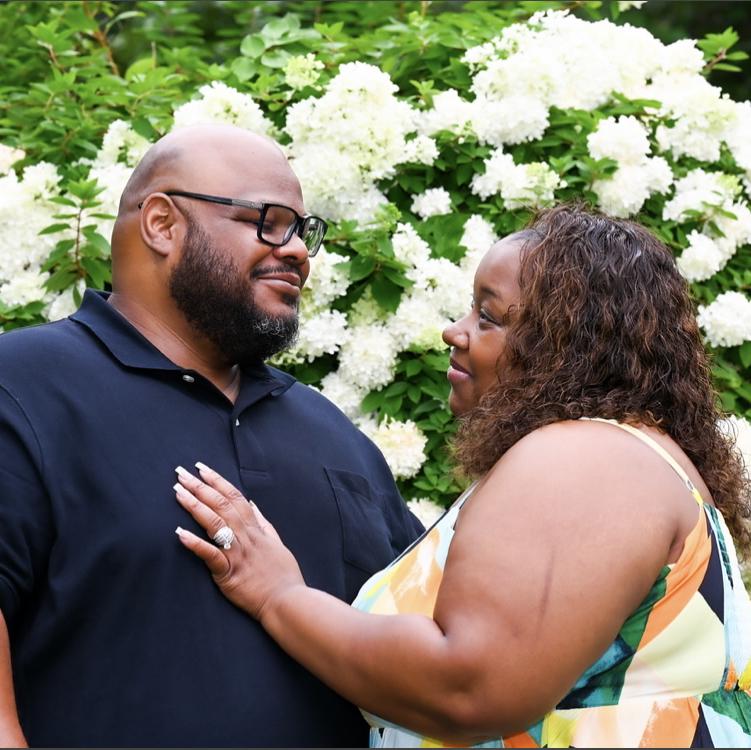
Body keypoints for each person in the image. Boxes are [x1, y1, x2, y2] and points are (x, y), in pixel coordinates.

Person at [174, 204, 751, 748]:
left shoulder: (586, 458)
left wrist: (279, 596)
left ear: (570, 345)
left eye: (488, 317)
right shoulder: (627, 456)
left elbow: (467, 685)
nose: (455, 331)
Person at [0, 124, 423, 747]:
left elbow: (420, 648)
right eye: (269, 221)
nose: (298, 251)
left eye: (302, 231)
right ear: (162, 224)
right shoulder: (23, 387)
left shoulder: (334, 434)